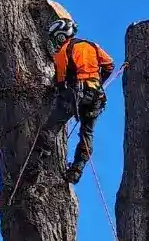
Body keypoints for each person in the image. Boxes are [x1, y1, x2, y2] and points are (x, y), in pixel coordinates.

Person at [35, 16, 115, 184]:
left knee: (50, 128)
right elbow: (109, 65)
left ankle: (37, 163)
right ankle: (76, 170)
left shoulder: (62, 53)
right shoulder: (92, 45)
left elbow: (60, 82)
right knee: (87, 133)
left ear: (61, 36)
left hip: (74, 95)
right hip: (96, 95)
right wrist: (97, 83)